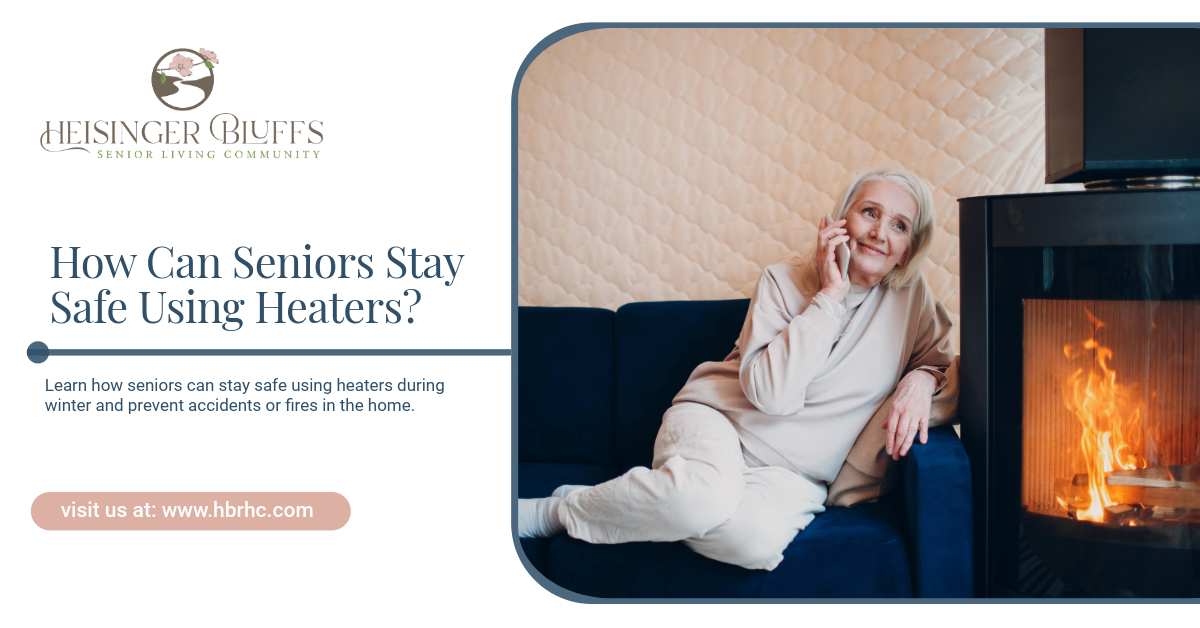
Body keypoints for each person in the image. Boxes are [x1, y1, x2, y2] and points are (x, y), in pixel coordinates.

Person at [518, 168, 956, 571]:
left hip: (794, 476)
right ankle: (556, 512)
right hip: (720, 424)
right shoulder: (780, 282)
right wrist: (830, 295)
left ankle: (646, 505)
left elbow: (943, 364)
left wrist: (920, 378)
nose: (880, 232)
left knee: (753, 544)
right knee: (699, 501)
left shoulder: (912, 303)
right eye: (869, 212)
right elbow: (772, 395)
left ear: (907, 251)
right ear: (841, 222)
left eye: (899, 225)